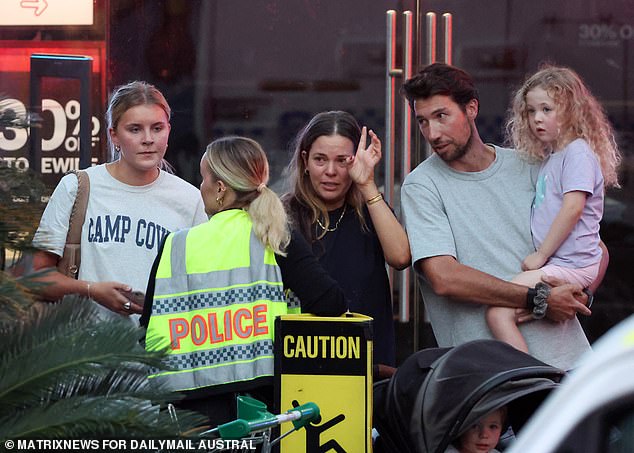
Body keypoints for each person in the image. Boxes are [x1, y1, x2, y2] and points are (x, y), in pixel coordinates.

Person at [400, 63, 605, 371]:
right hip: (490, 378)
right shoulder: (422, 185)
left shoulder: (530, 164)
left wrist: (580, 295)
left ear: (471, 108)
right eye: (423, 122)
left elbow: (596, 248)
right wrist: (537, 299)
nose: (433, 133)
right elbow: (444, 277)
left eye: (441, 116)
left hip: (571, 363)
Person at [141, 136, 347, 426]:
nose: (201, 188)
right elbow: (331, 302)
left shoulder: (177, 245)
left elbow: (146, 328)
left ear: (220, 188)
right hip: (259, 409)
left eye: (203, 179)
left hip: (189, 412)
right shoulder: (274, 236)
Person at [31, 81, 208, 321]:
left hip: (161, 350)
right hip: (86, 347)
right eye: (134, 129)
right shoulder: (78, 187)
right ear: (114, 135)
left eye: (157, 128)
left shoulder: (190, 200)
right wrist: (92, 290)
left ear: (169, 130)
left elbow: (201, 287)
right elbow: (36, 277)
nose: (148, 139)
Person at [486, 65, 621, 352]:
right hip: (564, 264)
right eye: (532, 111)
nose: (537, 119)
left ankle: (524, 380)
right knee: (518, 310)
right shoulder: (555, 157)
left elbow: (572, 209)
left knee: (498, 311)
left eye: (547, 109)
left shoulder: (578, 154)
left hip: (568, 265)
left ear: (572, 110)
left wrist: (541, 255)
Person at [283, 111, 411, 368]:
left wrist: (367, 185)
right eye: (320, 159)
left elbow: (400, 257)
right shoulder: (284, 216)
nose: (331, 171)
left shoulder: (369, 210)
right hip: (302, 365)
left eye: (342, 161)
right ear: (305, 160)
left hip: (368, 365)